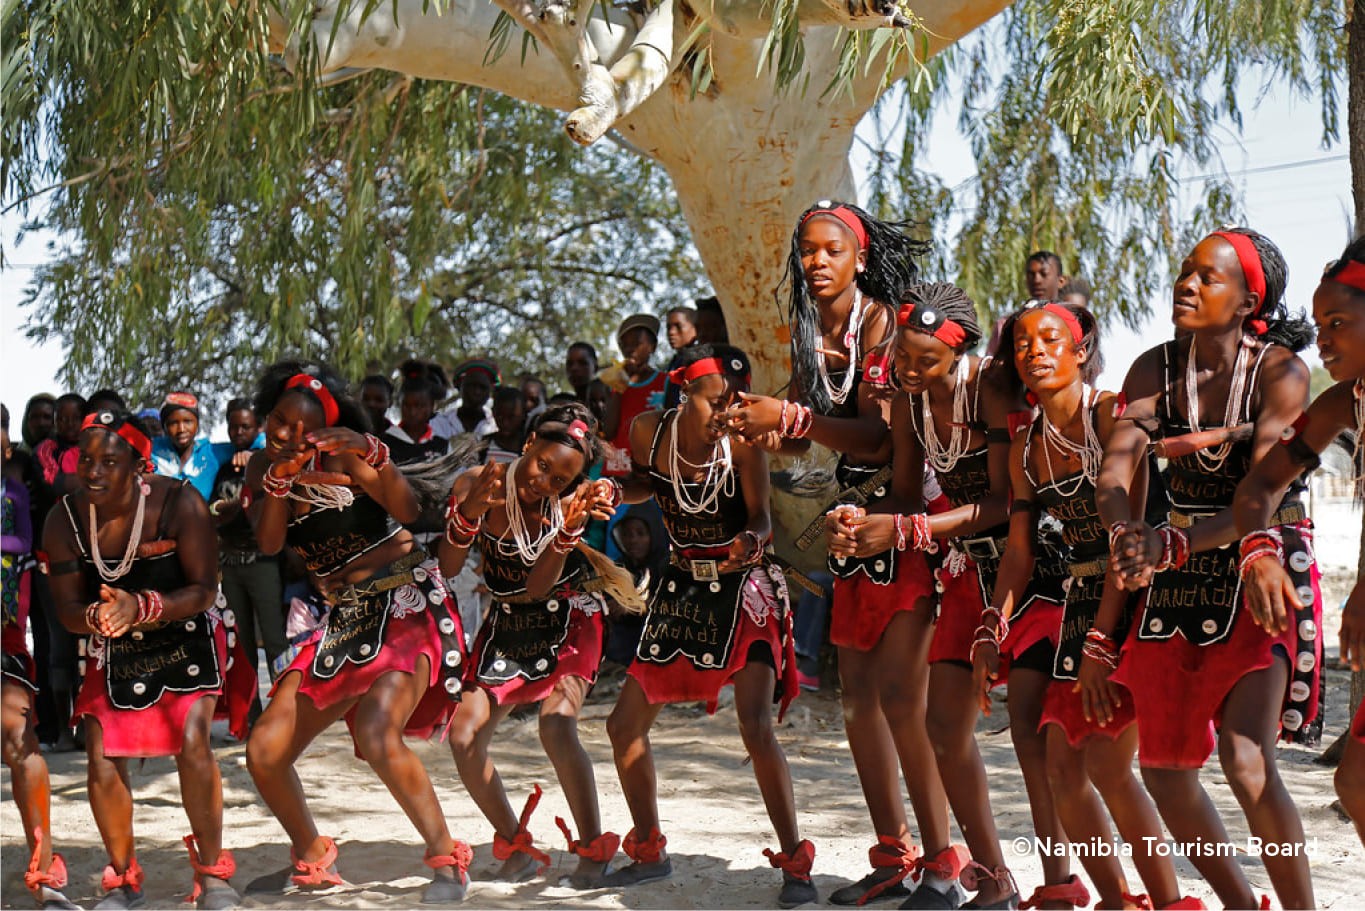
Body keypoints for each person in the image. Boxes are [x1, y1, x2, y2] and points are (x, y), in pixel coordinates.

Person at [725, 202, 954, 906]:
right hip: (853, 521)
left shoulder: (885, 327)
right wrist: (763, 427)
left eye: (830, 250)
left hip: (909, 518)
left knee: (899, 701)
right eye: (806, 251)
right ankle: (893, 854)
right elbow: (810, 434)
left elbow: (882, 439)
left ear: (858, 258)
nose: (815, 261)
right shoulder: (811, 331)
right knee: (857, 704)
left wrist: (793, 418)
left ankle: (947, 864)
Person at [828, 282, 1069, 909]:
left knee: (1030, 735)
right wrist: (857, 520)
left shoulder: (986, 387)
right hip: (965, 572)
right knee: (942, 728)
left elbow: (1002, 501)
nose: (908, 370)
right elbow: (907, 490)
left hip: (1030, 568)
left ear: (958, 353)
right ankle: (992, 881)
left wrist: (908, 530)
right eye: (902, 357)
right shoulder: (910, 401)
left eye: (924, 361)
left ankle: (1060, 886)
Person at [1096, 228, 1317, 909]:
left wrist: (1171, 545)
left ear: (1248, 299)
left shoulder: (1280, 373)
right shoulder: (1151, 369)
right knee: (1162, 770)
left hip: (1259, 561)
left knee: (1246, 762)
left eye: (1206, 277)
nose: (1185, 284)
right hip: (1178, 571)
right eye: (1184, 272)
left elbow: (1257, 496)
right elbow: (1116, 464)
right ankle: (1238, 904)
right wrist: (1122, 530)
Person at [239, 362, 472, 902]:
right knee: (265, 749)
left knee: (376, 731)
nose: (285, 434)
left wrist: (376, 455)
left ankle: (446, 859)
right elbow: (271, 545)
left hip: (404, 601)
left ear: (322, 428)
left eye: (300, 428)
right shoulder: (259, 467)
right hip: (344, 619)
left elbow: (409, 509)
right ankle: (313, 857)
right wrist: (277, 482)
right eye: (278, 420)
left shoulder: (346, 454)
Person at [978, 301, 1183, 909]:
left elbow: (1133, 529)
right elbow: (1018, 554)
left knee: (1108, 766)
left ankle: (1170, 902)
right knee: (1062, 771)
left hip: (1139, 597)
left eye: (1049, 340)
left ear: (1079, 350)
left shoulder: (1111, 417)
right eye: (1021, 344)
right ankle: (1116, 902)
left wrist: (1100, 642)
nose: (1034, 352)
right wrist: (993, 625)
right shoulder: (1025, 448)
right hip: (1082, 602)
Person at [606, 344, 815, 908]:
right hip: (681, 586)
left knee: (754, 725)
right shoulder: (649, 430)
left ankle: (796, 862)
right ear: (684, 393)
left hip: (742, 585)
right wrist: (610, 493)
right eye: (716, 400)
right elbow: (647, 484)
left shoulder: (742, 442)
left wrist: (754, 539)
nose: (727, 412)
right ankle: (649, 849)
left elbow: (762, 516)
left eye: (734, 401)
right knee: (623, 725)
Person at [41, 410, 248, 910]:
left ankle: (212, 875)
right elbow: (66, 609)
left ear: (138, 466)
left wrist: (145, 606)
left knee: (193, 739)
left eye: (109, 461)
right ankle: (124, 877)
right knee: (103, 750)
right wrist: (102, 617)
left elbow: (204, 589)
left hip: (187, 626)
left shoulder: (181, 502)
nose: (92, 471)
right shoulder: (64, 519)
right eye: (86, 459)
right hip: (113, 637)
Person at [441, 402, 623, 888]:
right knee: (464, 736)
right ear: (527, 445)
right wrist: (470, 513)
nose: (545, 482)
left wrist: (564, 534)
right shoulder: (477, 482)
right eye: (543, 465)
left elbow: (542, 586)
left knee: (556, 727)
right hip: (506, 623)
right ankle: (516, 846)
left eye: (561, 480)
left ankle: (593, 850)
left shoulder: (568, 510)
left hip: (570, 616)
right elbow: (449, 566)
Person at [1233, 236, 1365, 848]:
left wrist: (1361, 593)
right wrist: (1258, 550)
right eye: (1319, 325)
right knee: (1358, 783)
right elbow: (1261, 484)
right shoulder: (1344, 403)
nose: (1324, 341)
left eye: (1339, 322)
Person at [2, 405, 78, 910]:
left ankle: (44, 869)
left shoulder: (13, 495)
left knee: (18, 737)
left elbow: (23, 547)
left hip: (4, 635)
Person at [207, 399, 284, 709]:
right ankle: (250, 716)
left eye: (246, 427)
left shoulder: (268, 463)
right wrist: (224, 511)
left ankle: (283, 711)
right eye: (233, 426)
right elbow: (212, 509)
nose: (238, 432)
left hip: (262, 561)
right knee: (242, 642)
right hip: (231, 563)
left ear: (259, 428)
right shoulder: (225, 466)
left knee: (275, 639)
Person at [602, 314, 667, 475]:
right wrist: (619, 387)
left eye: (636, 343)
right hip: (618, 469)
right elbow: (609, 431)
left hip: (650, 471)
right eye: (625, 345)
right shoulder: (617, 386)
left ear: (652, 346)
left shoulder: (665, 382)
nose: (630, 350)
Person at [152, 392, 224, 502]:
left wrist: (246, 455)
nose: (181, 429)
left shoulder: (212, 452)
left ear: (197, 424)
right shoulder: (151, 449)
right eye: (173, 423)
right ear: (164, 427)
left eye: (188, 422)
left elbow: (252, 446)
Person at [385, 363, 451, 466]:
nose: (412, 412)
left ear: (432, 406)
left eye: (419, 406)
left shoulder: (442, 446)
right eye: (407, 405)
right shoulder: (385, 443)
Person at [433, 359, 499, 439]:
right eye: (472, 385)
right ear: (459, 386)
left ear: (490, 391)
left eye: (483, 387)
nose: (477, 392)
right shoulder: (439, 422)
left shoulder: (497, 425)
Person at [482, 386, 527, 465]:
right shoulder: (484, 445)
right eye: (500, 416)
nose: (505, 423)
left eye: (512, 417)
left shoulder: (529, 449)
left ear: (523, 415)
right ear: (493, 412)